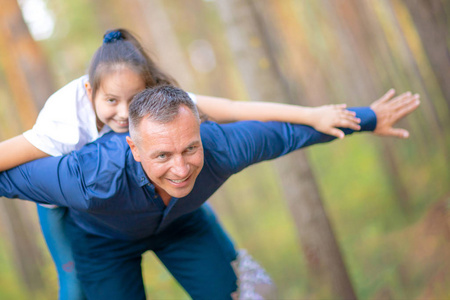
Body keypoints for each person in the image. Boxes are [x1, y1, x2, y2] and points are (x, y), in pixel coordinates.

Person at [0, 29, 364, 299]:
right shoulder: (64, 122)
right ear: (89, 93)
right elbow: (9, 161)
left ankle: (233, 267)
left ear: (152, 89)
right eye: (111, 100)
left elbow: (237, 111)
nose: (125, 113)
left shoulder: (165, 106)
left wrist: (312, 114)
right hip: (70, 209)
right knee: (73, 285)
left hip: (164, 209)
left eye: (135, 99)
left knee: (189, 203)